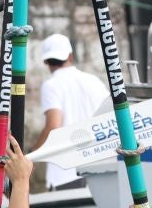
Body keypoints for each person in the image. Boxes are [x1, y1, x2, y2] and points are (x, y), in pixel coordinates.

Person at [31, 35, 110, 189]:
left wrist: (32, 156)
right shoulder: (93, 81)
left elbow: (53, 126)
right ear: (70, 56)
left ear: (46, 61)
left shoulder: (51, 85)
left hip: (65, 173)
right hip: (98, 168)